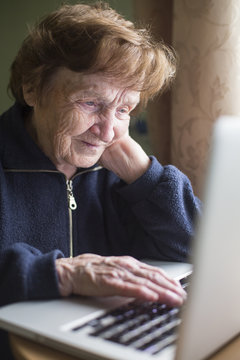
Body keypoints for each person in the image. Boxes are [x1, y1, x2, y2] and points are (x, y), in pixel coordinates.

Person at [0, 2, 201, 358]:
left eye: (124, 109)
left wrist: (146, 176)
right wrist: (59, 274)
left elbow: (197, 251)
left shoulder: (118, 172)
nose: (108, 131)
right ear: (33, 89)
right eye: (91, 102)